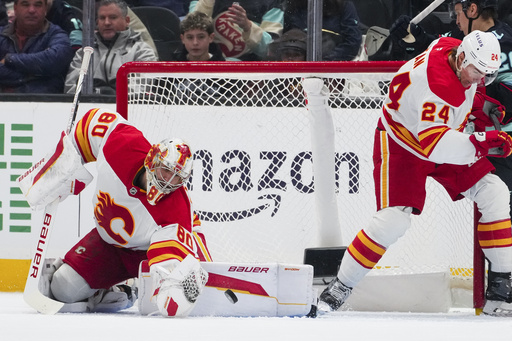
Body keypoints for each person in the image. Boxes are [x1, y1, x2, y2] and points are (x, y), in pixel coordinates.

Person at [305, 30, 512, 316]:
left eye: (485, 75)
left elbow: (449, 80)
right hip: (403, 144)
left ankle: (502, 288)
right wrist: (481, 143)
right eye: (476, 72)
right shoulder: (438, 86)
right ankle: (340, 285)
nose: (479, 80)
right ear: (462, 57)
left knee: (495, 192)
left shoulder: (451, 48)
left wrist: (479, 106)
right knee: (392, 222)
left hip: (439, 133)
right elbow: (436, 146)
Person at [20, 107, 211, 316]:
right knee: (62, 287)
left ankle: (138, 285)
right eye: (166, 170)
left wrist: (170, 287)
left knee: (160, 297)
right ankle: (118, 291)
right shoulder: (123, 145)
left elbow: (168, 268)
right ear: (152, 160)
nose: (167, 181)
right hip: (108, 245)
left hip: (145, 254)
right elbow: (89, 125)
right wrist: (62, 162)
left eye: (176, 177)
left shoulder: (176, 210)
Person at [391, 0, 512, 216]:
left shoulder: (489, 45)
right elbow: (435, 50)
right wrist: (412, 36)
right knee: (496, 206)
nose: (456, 21)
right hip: (490, 144)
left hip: (500, 141)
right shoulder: (461, 43)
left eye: (459, 13)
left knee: (498, 205)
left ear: (473, 10)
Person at [64, 0, 157, 94]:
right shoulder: (84, 53)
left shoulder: (143, 51)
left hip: (126, 108)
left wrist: (107, 95)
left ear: (127, 21)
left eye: (113, 17)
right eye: (102, 18)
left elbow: (140, 90)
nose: (107, 22)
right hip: (89, 107)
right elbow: (71, 90)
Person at [0, 0, 74, 93]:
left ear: (45, 9)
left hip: (46, 104)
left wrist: (9, 59)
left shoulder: (57, 35)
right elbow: (48, 65)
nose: (31, 10)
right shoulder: (1, 35)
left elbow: (55, 60)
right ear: (15, 8)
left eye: (38, 5)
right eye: (25, 4)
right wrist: (39, 73)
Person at [189, 0, 284, 61]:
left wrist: (248, 27)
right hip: (209, 71)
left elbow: (271, 49)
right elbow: (190, 31)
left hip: (251, 76)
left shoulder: (272, 3)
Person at [283, 0, 361, 61]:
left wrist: (325, 61)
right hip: (299, 68)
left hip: (334, 69)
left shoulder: (343, 5)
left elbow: (352, 42)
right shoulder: (293, 6)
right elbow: (285, 41)